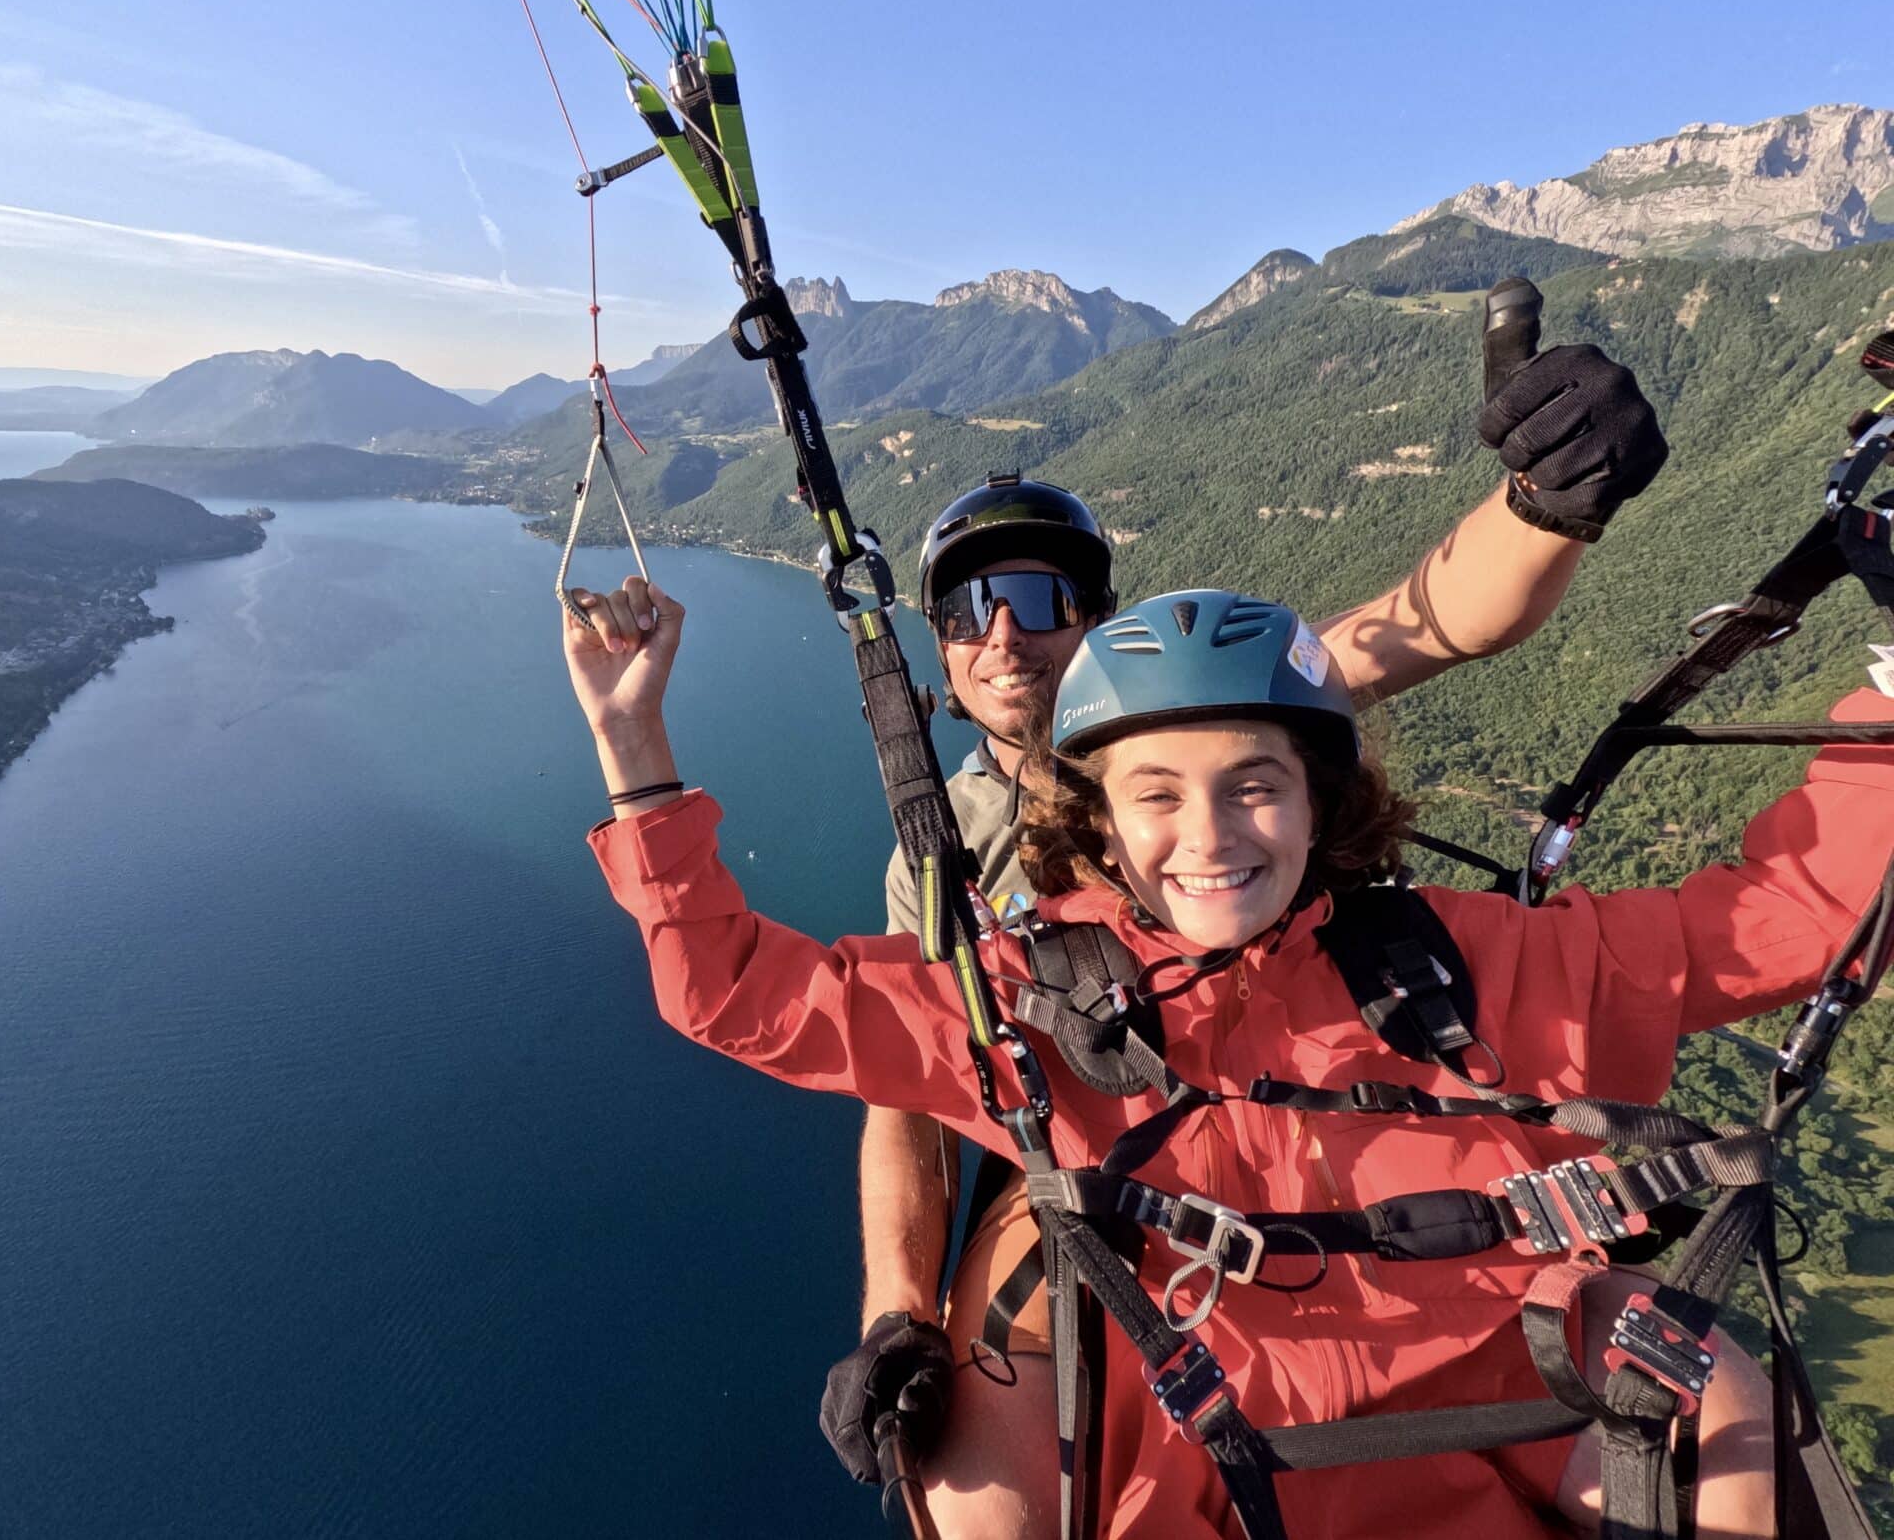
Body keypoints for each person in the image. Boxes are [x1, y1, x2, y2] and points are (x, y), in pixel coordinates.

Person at [564, 572, 1886, 1537]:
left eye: (1256, 781)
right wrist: (637, 757)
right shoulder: (1039, 998)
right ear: (1099, 817)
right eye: (1155, 793)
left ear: (1322, 797)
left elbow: (1778, 924)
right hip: (1198, 1440)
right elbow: (742, 992)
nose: (1209, 834)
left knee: (1737, 1436)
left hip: (1505, 1399)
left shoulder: (1467, 961)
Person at [833, 334, 1669, 1522]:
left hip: (1311, 1125)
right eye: (969, 608)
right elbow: (906, 1101)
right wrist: (896, 1316)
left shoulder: (1208, 711)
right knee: (979, 1506)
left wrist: (1546, 501)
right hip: (1085, 1178)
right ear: (942, 654)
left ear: (1099, 623)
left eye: (1037, 596)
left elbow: (1433, 621)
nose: (1003, 633)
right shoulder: (941, 853)